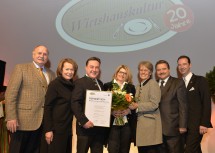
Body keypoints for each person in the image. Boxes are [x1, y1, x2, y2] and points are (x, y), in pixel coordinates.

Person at [5, 45, 55, 153]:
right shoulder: (21, 68)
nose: (42, 56)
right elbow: (10, 94)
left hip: (41, 123)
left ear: (47, 57)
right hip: (21, 122)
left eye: (45, 54)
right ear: (33, 54)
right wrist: (11, 117)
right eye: (39, 53)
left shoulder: (51, 74)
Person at [40, 58, 78, 153]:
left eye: (72, 69)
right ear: (61, 70)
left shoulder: (72, 85)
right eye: (67, 69)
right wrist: (48, 130)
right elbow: (48, 107)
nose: (69, 72)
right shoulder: (55, 84)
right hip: (56, 130)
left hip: (67, 129)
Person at [177, 55, 212, 153]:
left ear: (190, 65)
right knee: (195, 150)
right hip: (182, 126)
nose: (182, 67)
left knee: (189, 150)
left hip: (197, 126)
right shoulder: (177, 83)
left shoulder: (200, 80)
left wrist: (204, 123)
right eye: (179, 65)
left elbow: (206, 102)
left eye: (184, 64)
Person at [71, 57, 106, 153]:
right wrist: (84, 121)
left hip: (99, 130)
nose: (94, 70)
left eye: (97, 67)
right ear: (86, 68)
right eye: (91, 67)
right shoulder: (79, 83)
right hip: (84, 129)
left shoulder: (100, 83)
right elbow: (75, 103)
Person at [129, 61, 162, 153]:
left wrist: (137, 106)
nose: (143, 72)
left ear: (150, 72)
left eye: (145, 70)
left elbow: (154, 104)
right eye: (141, 70)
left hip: (150, 128)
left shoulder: (153, 84)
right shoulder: (138, 86)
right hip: (141, 129)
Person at [155, 60, 188, 153]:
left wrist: (183, 126)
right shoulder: (153, 85)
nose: (161, 71)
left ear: (169, 70)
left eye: (164, 69)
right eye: (158, 70)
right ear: (156, 72)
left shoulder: (178, 82)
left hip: (174, 129)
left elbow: (183, 106)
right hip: (157, 131)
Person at [103, 65, 136, 153]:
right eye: (120, 72)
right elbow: (103, 104)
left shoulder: (131, 87)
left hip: (126, 124)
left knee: (125, 149)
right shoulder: (107, 86)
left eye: (125, 73)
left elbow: (134, 104)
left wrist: (128, 111)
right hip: (112, 124)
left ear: (127, 75)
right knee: (113, 149)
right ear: (116, 73)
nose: (122, 74)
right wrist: (111, 111)